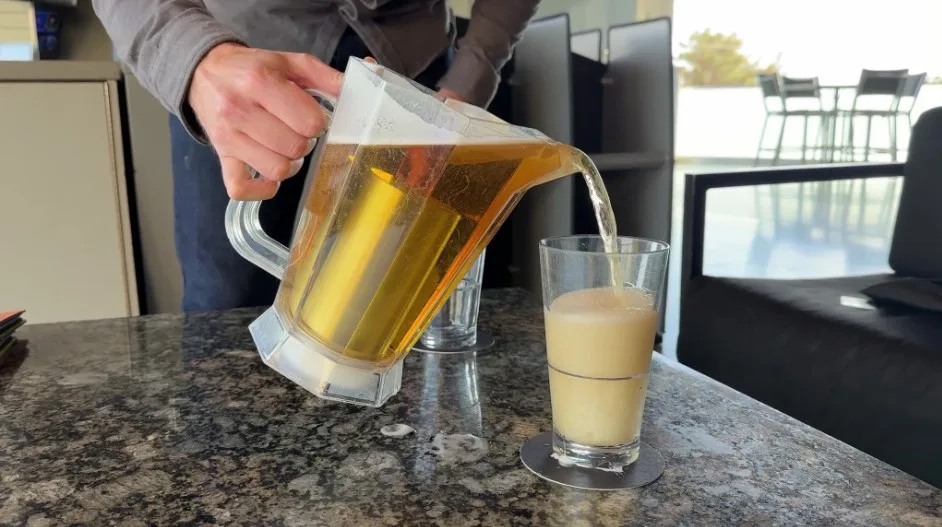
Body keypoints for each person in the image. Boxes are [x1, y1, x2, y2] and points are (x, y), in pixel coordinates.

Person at [91, 0, 541, 311]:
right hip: (241, 72)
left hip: (417, 71)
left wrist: (470, 77)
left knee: (398, 297)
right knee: (226, 300)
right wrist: (194, 56)